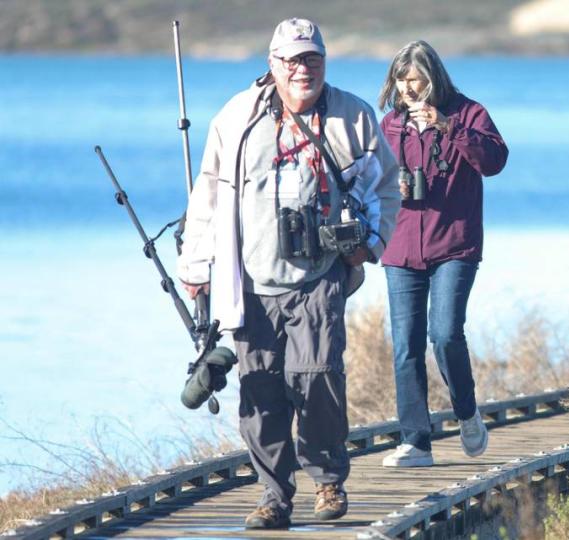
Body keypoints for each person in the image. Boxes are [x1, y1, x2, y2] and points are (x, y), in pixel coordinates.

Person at [176, 18, 400, 528]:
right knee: (260, 390)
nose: (304, 69)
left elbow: (388, 186)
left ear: (325, 62)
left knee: (318, 378)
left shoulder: (353, 116)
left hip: (319, 278)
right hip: (250, 281)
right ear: (273, 64)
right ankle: (274, 496)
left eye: (313, 59)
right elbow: (207, 198)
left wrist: (371, 243)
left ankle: (327, 482)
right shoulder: (237, 118)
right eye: (293, 60)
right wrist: (195, 264)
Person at [376, 41, 508, 468]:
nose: (408, 89)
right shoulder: (389, 124)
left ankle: (467, 413)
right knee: (406, 347)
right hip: (400, 247)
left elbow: (495, 161)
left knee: (446, 334)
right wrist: (386, 187)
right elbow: (366, 178)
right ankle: (416, 442)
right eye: (401, 79)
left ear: (434, 76)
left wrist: (449, 127)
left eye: (415, 79)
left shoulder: (468, 113)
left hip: (454, 243)